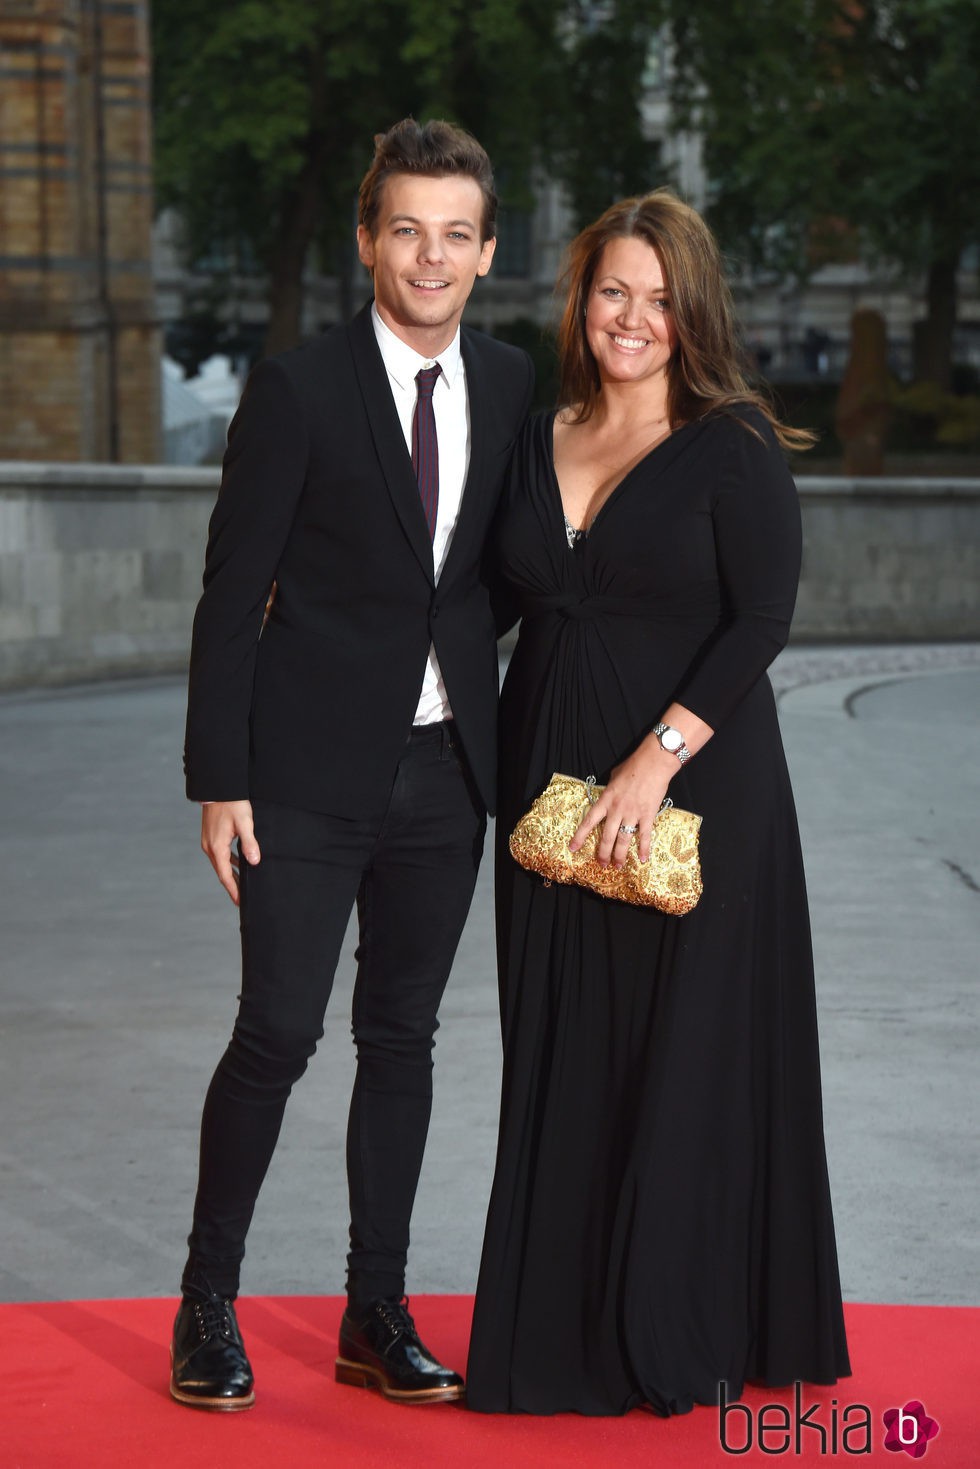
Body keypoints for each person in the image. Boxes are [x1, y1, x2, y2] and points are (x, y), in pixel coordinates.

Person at [466, 190, 850, 1416]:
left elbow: (761, 619)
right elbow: (481, 605)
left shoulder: (730, 444)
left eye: (655, 297)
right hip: (544, 801)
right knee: (561, 1052)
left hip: (694, 794)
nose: (630, 317)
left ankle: (676, 1329)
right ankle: (562, 1334)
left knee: (680, 1062)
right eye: (610, 291)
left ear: (691, 313)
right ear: (582, 299)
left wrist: (653, 758)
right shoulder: (533, 436)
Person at [171, 117, 534, 1412]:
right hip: (303, 777)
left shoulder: (507, 383)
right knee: (276, 1030)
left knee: (405, 1037)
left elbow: (515, 568)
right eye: (405, 229)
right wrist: (221, 775)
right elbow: (232, 591)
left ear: (486, 251)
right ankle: (207, 1301)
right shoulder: (300, 387)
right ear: (370, 237)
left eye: (455, 234)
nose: (428, 256)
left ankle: (372, 1309)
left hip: (449, 778)